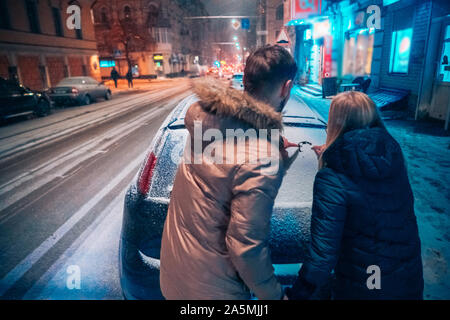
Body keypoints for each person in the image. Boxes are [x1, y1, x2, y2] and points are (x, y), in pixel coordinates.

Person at [160, 45, 298, 300]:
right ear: (286, 87)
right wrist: (275, 295)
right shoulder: (260, 155)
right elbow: (246, 248)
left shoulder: (209, 121)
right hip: (216, 291)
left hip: (175, 274)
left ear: (245, 81)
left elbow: (221, 178)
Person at [286, 91, 424, 300]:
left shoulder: (333, 177)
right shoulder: (393, 157)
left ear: (335, 123)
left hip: (367, 285)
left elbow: (322, 255)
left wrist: (298, 293)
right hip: (407, 278)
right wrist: (335, 155)